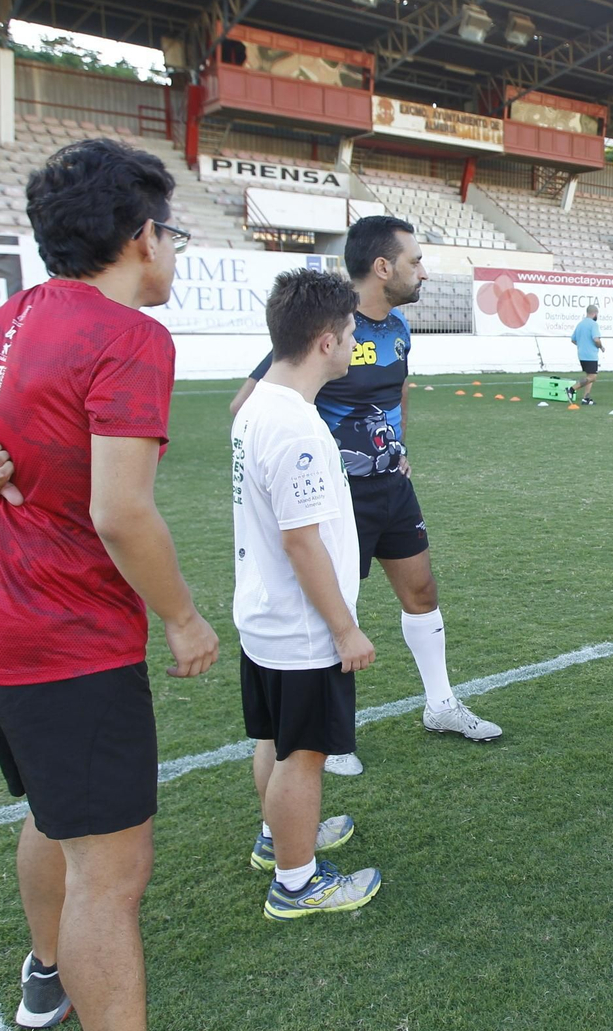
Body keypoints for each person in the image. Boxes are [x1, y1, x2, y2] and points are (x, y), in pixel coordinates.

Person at [0, 137, 220, 1030]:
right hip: (67, 648)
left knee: (58, 813)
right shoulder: (129, 337)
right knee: (110, 875)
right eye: (174, 236)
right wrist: (184, 618)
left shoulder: (0, 324)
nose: (173, 254)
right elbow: (123, 513)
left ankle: (46, 974)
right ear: (143, 237)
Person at [231, 216, 501, 778]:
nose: (422, 271)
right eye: (416, 260)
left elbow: (397, 390)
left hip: (390, 486)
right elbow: (249, 404)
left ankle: (441, 705)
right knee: (336, 610)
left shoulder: (399, 327)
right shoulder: (324, 329)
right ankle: (332, 740)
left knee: (422, 591)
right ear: (383, 267)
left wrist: (400, 446)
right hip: (330, 499)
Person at [234, 268, 382, 921]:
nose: (354, 345)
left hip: (266, 619)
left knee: (275, 739)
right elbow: (302, 543)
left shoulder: (258, 404)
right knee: (305, 755)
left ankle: (279, 840)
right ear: (325, 340)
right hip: (301, 628)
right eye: (350, 333)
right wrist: (344, 627)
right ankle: (296, 881)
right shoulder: (293, 425)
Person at [568, 304, 604, 405]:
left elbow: (573, 340)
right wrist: (601, 346)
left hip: (581, 354)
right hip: (590, 354)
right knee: (593, 377)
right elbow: (596, 339)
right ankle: (571, 389)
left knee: (589, 376)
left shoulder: (580, 324)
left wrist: (582, 345)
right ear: (595, 313)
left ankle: (586, 398)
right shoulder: (593, 324)